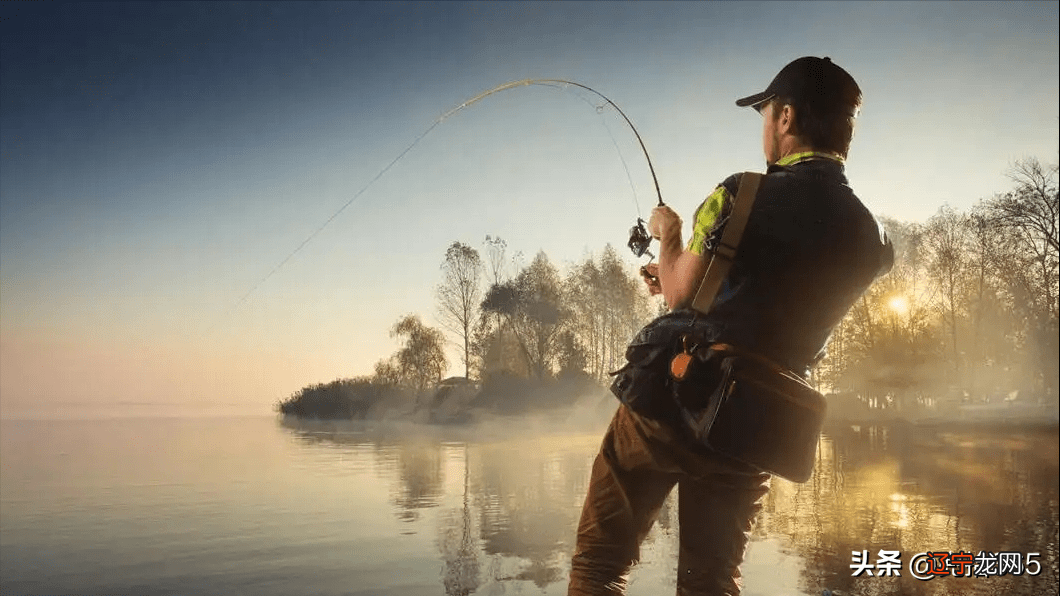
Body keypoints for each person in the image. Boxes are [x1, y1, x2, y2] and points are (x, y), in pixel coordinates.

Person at [567, 57, 894, 596]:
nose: (764, 127)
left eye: (765, 114)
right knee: (711, 581)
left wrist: (668, 237)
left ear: (786, 118)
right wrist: (697, 281)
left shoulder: (739, 194)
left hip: (671, 401)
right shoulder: (871, 238)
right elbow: (776, 299)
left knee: (600, 567)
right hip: (756, 423)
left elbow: (677, 293)